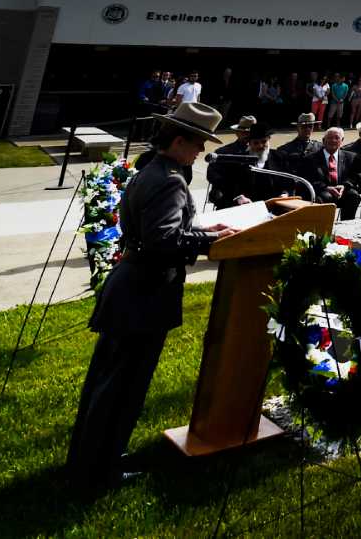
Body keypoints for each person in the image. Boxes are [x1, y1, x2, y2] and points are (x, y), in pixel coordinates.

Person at [66, 101, 237, 490]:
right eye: (198, 145)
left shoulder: (150, 170)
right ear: (179, 141)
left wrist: (202, 233)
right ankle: (99, 472)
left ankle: (93, 458)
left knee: (108, 382)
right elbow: (164, 240)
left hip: (130, 288)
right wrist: (210, 239)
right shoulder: (170, 180)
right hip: (144, 293)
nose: (200, 153)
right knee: (123, 388)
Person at [311, 125, 361, 220]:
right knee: (324, 198)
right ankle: (325, 229)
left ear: (342, 141)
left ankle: (346, 228)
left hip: (343, 190)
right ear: (323, 140)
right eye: (330, 138)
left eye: (337, 138)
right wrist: (326, 188)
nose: (333, 140)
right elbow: (310, 178)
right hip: (323, 191)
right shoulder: (311, 158)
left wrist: (345, 186)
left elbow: (355, 176)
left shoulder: (351, 157)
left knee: (354, 196)